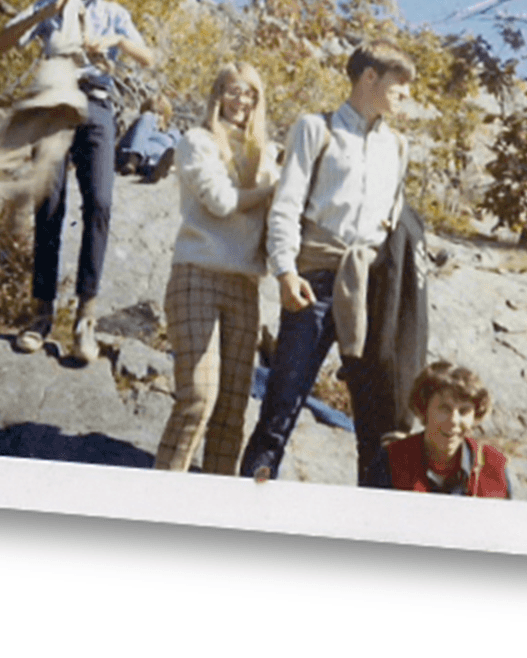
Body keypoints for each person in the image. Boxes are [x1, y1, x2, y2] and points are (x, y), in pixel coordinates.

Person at [239, 39, 426, 486]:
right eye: (399, 87)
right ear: (369, 78)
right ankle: (246, 507)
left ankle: (366, 523)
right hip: (314, 281)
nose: (405, 98)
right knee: (283, 401)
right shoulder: (315, 129)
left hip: (371, 289)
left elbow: (392, 220)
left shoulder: (397, 147)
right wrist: (285, 271)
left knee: (376, 416)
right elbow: (286, 205)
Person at [0, 0, 154, 363]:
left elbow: (148, 58)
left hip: (97, 107)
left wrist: (116, 43)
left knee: (99, 202)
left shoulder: (116, 14)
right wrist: (43, 13)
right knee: (50, 203)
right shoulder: (52, 4)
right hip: (53, 103)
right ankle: (40, 313)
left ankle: (86, 316)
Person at [154, 63, 278, 474]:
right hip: (198, 273)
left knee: (232, 411)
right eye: (232, 91)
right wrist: (271, 191)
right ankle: (158, 497)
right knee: (198, 398)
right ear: (217, 94)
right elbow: (221, 202)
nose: (240, 101)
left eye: (249, 94)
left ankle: (214, 512)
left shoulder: (267, 153)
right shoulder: (197, 141)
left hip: (244, 283)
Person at [365, 361, 512, 497]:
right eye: (444, 408)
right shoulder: (390, 461)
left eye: (464, 411)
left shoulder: (494, 468)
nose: (454, 420)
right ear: (424, 409)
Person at [116, 94, 181, 180]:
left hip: (151, 162)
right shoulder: (143, 119)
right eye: (154, 112)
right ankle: (134, 159)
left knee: (174, 139)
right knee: (148, 118)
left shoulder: (171, 132)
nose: (157, 116)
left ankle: (159, 168)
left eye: (160, 113)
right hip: (128, 156)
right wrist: (151, 116)